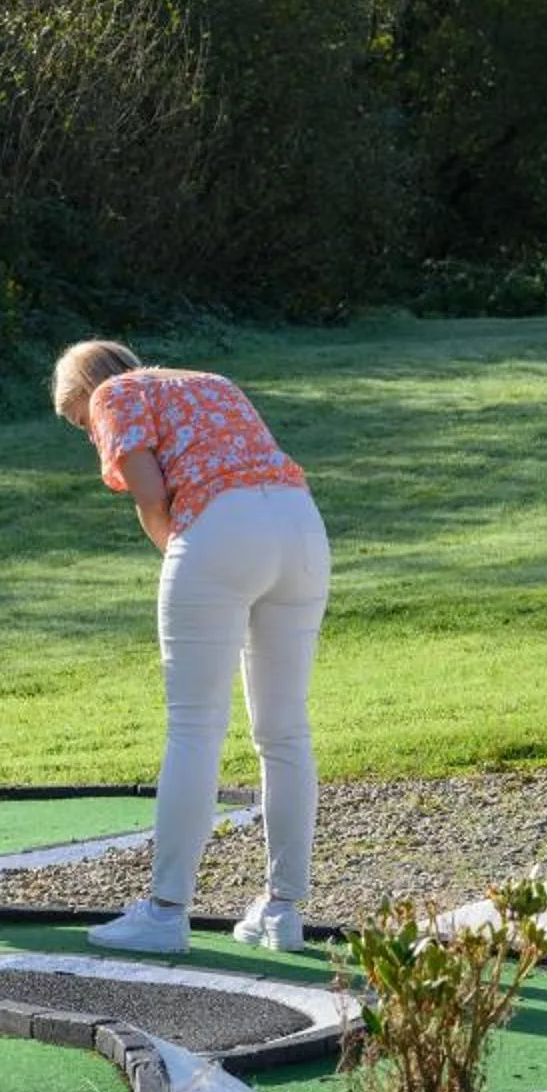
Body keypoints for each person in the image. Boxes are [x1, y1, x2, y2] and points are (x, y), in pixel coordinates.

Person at [54, 338, 330, 954]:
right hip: (302, 529)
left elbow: (152, 496)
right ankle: (284, 911)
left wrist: (186, 561)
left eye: (79, 422)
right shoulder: (210, 378)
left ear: (83, 391)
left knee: (194, 728)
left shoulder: (111, 394)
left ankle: (165, 911)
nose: (87, 432)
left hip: (222, 530)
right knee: (284, 730)